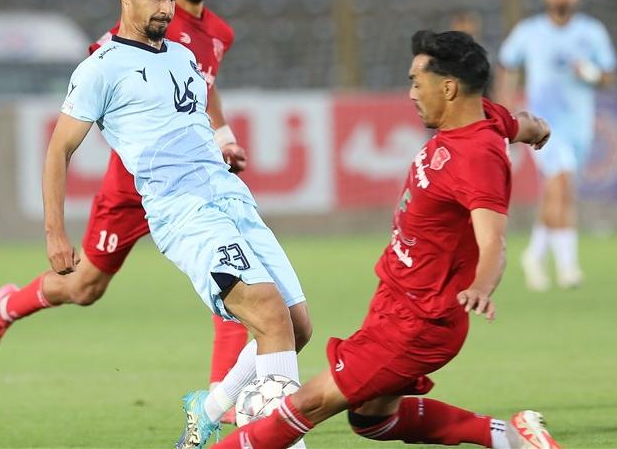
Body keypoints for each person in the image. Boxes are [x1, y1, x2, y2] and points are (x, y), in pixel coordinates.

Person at [210, 30, 560, 449]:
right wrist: (536, 129)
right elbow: (518, 123)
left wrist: (481, 287)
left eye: (417, 82)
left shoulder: (478, 157)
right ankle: (512, 438)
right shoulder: (485, 116)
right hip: (394, 302)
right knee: (372, 419)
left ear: (448, 88)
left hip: (418, 322)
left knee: (305, 404)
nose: (411, 93)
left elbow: (493, 242)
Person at [0, 0, 251, 422]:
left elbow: (203, 87)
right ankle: (10, 305)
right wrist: (55, 230)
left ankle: (222, 396)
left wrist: (223, 135)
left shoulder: (216, 35)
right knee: (84, 288)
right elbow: (104, 77)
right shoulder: (139, 35)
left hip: (192, 187)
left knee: (231, 271)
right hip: (131, 188)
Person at [497, 0, 616, 291]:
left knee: (559, 190)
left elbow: (608, 74)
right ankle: (568, 266)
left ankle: (535, 254)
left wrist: (590, 73)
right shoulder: (529, 31)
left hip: (579, 124)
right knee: (560, 182)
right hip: (543, 125)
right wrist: (505, 111)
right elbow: (506, 64)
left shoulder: (591, 31)